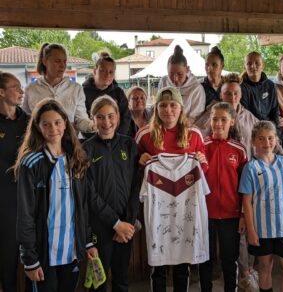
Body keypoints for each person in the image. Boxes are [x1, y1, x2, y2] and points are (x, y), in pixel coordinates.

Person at [14, 99, 98, 292]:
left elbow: (82, 205)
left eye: (58, 122)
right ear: (37, 127)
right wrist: (30, 259)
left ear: (66, 123)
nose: (53, 128)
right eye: (46, 124)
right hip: (44, 255)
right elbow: (25, 215)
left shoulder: (76, 158)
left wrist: (86, 241)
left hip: (72, 252)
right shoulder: (31, 163)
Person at [136, 86, 208, 292]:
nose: (168, 110)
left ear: (181, 108)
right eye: (163, 105)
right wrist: (139, 161)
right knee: (158, 266)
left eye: (173, 105)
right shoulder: (144, 134)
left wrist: (202, 162)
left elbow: (202, 171)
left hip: (185, 209)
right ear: (156, 108)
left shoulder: (194, 135)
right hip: (159, 207)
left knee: (182, 264)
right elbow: (133, 166)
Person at [83, 95, 140, 292]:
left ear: (117, 116)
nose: (106, 122)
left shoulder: (129, 145)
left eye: (110, 116)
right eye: (100, 117)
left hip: (126, 229)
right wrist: (115, 223)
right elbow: (89, 194)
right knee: (98, 283)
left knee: (122, 281)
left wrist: (128, 223)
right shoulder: (86, 149)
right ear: (93, 118)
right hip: (101, 228)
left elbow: (136, 187)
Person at [239, 120, 283, 292]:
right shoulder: (250, 167)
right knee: (265, 268)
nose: (267, 143)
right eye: (261, 139)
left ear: (276, 140)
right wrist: (251, 230)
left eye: (270, 138)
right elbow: (247, 202)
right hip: (262, 229)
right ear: (253, 141)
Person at [198, 102, 247, 292]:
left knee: (229, 260)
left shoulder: (239, 150)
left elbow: (246, 187)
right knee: (205, 260)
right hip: (205, 214)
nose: (218, 124)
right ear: (210, 121)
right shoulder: (201, 146)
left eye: (223, 120)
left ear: (232, 122)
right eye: (215, 119)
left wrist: (243, 214)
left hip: (231, 215)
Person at [23, 43, 94, 133]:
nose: (62, 66)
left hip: (69, 143)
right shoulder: (31, 89)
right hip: (40, 144)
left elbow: (81, 120)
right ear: (45, 61)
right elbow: (26, 120)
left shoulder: (76, 89)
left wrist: (92, 126)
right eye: (57, 61)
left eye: (64, 61)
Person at [0, 72, 29, 292]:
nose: (21, 91)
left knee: (32, 259)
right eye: (15, 87)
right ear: (1, 92)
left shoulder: (28, 122)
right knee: (7, 258)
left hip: (28, 198)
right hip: (4, 202)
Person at [240, 51, 283, 163]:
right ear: (244, 66)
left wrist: (276, 133)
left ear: (262, 65)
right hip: (254, 131)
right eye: (249, 64)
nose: (253, 66)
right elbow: (246, 116)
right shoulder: (242, 88)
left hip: (271, 129)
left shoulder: (270, 85)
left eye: (257, 63)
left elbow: (275, 112)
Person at [196, 73, 259, 158]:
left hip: (244, 165)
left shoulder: (249, 118)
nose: (232, 97)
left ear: (241, 95)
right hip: (219, 164)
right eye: (227, 94)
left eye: (236, 93)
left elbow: (267, 136)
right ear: (221, 95)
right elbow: (198, 136)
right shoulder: (210, 115)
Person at [82, 52, 131, 135]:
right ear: (94, 71)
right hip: (91, 140)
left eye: (111, 72)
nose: (107, 75)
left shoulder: (119, 92)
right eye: (103, 71)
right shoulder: (83, 92)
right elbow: (81, 118)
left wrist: (116, 138)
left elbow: (125, 118)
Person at [158, 45, 206, 124]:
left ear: (187, 69)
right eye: (171, 74)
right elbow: (159, 106)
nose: (175, 79)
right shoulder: (163, 82)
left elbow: (195, 118)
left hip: (187, 129)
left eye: (180, 74)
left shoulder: (196, 88)